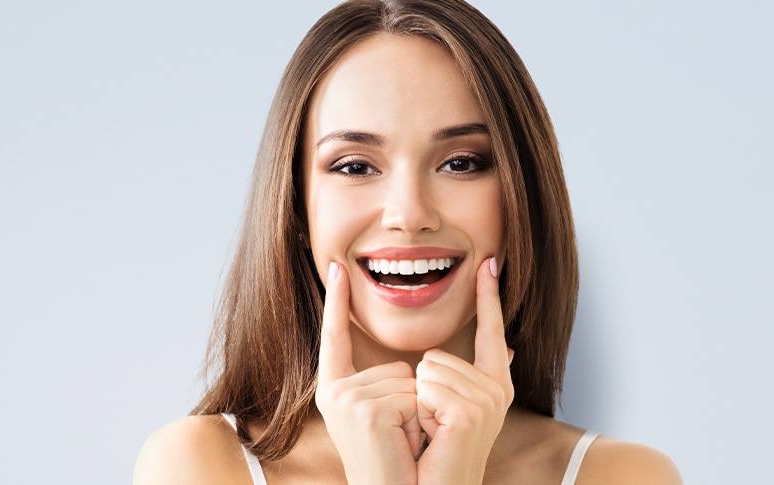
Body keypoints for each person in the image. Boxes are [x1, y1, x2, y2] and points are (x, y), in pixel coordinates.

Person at [133, 1, 682, 484]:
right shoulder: (199, 466)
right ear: (297, 207)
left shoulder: (623, 477)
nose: (410, 214)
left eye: (461, 163)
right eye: (354, 166)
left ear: (520, 196)